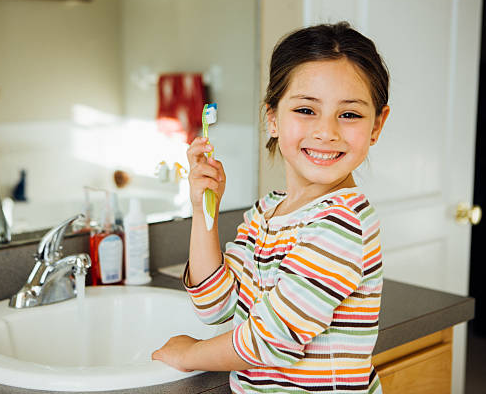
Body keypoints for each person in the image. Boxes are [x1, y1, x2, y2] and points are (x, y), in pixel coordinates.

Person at [152, 22, 390, 394]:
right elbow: (217, 307)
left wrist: (191, 354)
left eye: (349, 115)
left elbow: (269, 341)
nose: (326, 131)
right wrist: (204, 212)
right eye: (306, 109)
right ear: (273, 119)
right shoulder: (268, 212)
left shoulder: (343, 223)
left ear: (377, 125)